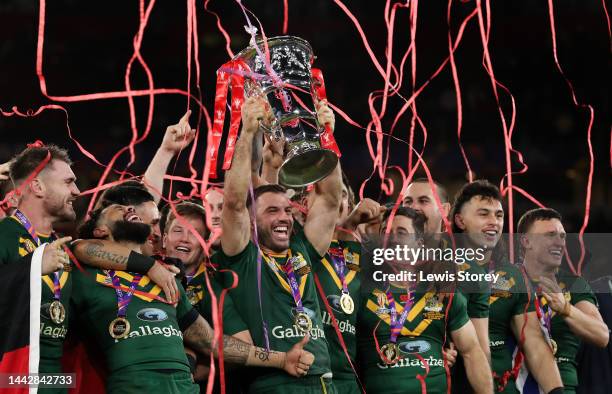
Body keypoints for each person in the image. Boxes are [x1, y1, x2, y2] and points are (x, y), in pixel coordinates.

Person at [71, 203, 314, 393]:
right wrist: (150, 266)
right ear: (99, 230)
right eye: (119, 209)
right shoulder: (84, 276)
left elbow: (212, 342)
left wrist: (282, 359)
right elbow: (79, 247)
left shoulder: (169, 280)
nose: (130, 209)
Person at [218, 96, 342, 393]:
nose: (284, 217)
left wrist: (324, 135)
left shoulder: (301, 249)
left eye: (287, 210)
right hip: (274, 383)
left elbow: (329, 199)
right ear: (251, 221)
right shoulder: (241, 255)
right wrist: (247, 132)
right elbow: (234, 203)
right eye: (271, 211)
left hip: (324, 382)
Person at [356, 207, 493, 393]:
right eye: (386, 233)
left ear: (419, 244)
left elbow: (472, 352)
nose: (393, 239)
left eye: (402, 233)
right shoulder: (361, 288)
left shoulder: (441, 290)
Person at [451, 180, 564, 393]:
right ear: (460, 220)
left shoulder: (513, 276)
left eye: (499, 215)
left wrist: (556, 391)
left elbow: (534, 342)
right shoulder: (439, 268)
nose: (494, 222)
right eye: (483, 214)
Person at [0, 144, 79, 386]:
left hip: (56, 379)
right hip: (10, 378)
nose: (77, 191)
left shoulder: (63, 247)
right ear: (37, 186)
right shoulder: (4, 235)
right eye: (68, 182)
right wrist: (32, 267)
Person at [518, 208, 609, 393]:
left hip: (562, 385)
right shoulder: (505, 281)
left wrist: (566, 308)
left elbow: (601, 335)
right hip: (517, 383)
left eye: (562, 236)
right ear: (526, 241)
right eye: (550, 235)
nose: (559, 242)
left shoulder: (575, 284)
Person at [163, 201, 253, 387]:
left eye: (194, 233)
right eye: (178, 230)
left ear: (205, 244)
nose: (185, 239)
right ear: (164, 238)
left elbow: (244, 345)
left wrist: (195, 376)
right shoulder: (143, 273)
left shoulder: (211, 288)